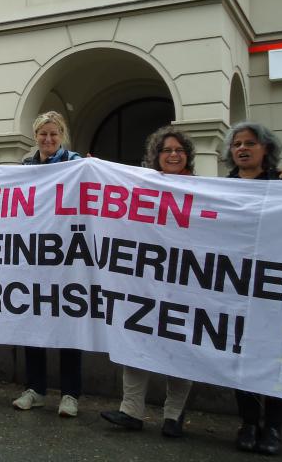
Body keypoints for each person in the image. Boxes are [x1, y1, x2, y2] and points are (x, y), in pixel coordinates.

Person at [100, 126, 195, 437]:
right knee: (136, 339)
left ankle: (174, 415)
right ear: (157, 156)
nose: (173, 155)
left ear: (187, 156)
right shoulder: (143, 187)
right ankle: (131, 410)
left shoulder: (204, 189)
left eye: (178, 150)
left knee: (179, 348)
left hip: (186, 281)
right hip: (145, 280)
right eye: (167, 150)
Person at [13, 111, 82, 417]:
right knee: (34, 324)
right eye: (43, 134)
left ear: (61, 135)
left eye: (54, 134)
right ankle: (36, 389)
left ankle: (70, 394)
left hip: (67, 256)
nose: (48, 139)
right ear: (35, 135)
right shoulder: (27, 166)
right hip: (35, 257)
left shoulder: (76, 163)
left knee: (68, 324)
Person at [222, 121, 282, 455]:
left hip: (273, 290)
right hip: (235, 286)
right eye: (236, 144)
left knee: (275, 357)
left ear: (266, 148)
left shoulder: (280, 185)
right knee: (241, 356)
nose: (242, 148)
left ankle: (273, 427)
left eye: (249, 143)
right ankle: (248, 422)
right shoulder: (221, 188)